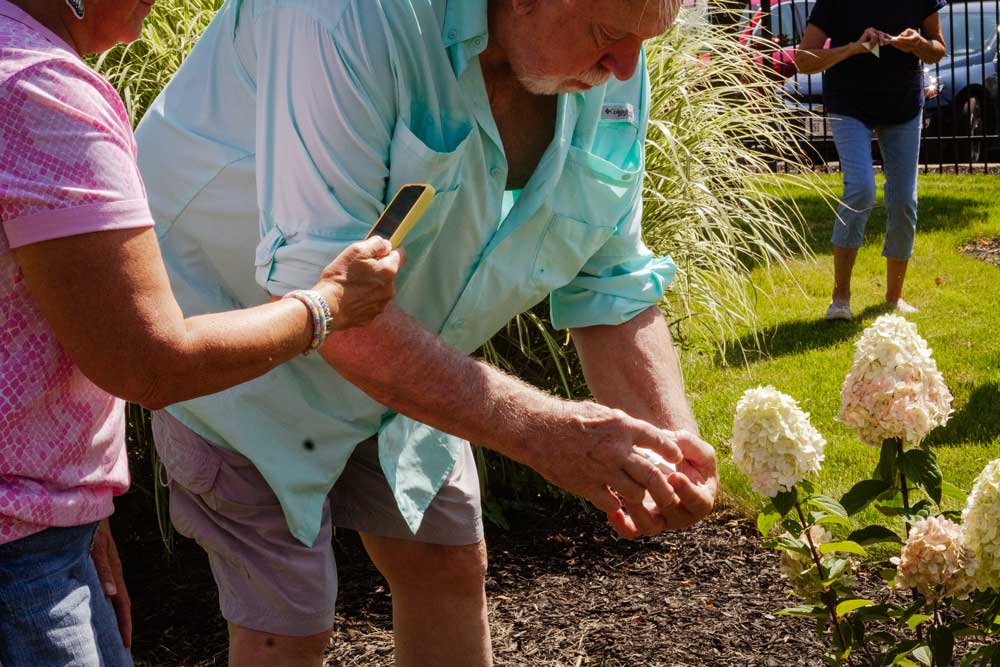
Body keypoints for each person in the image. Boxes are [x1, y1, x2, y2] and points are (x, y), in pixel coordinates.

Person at [136, 0, 720, 665]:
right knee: (286, 622)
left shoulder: (610, 67)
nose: (627, 68)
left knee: (447, 564)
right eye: (610, 35)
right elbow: (319, 291)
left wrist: (676, 448)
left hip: (405, 345)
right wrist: (542, 431)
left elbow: (610, 284)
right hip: (241, 337)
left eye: (647, 40)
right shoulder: (345, 15)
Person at [0, 1, 404, 665]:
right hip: (20, 565)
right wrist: (326, 305)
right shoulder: (42, 91)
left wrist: (79, 511)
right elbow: (148, 361)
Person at [795, 0, 947, 321]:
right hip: (849, 104)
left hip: (903, 104)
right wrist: (853, 48)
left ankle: (894, 298)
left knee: (904, 197)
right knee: (861, 189)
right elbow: (803, 60)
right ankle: (841, 298)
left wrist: (917, 44)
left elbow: (937, 49)